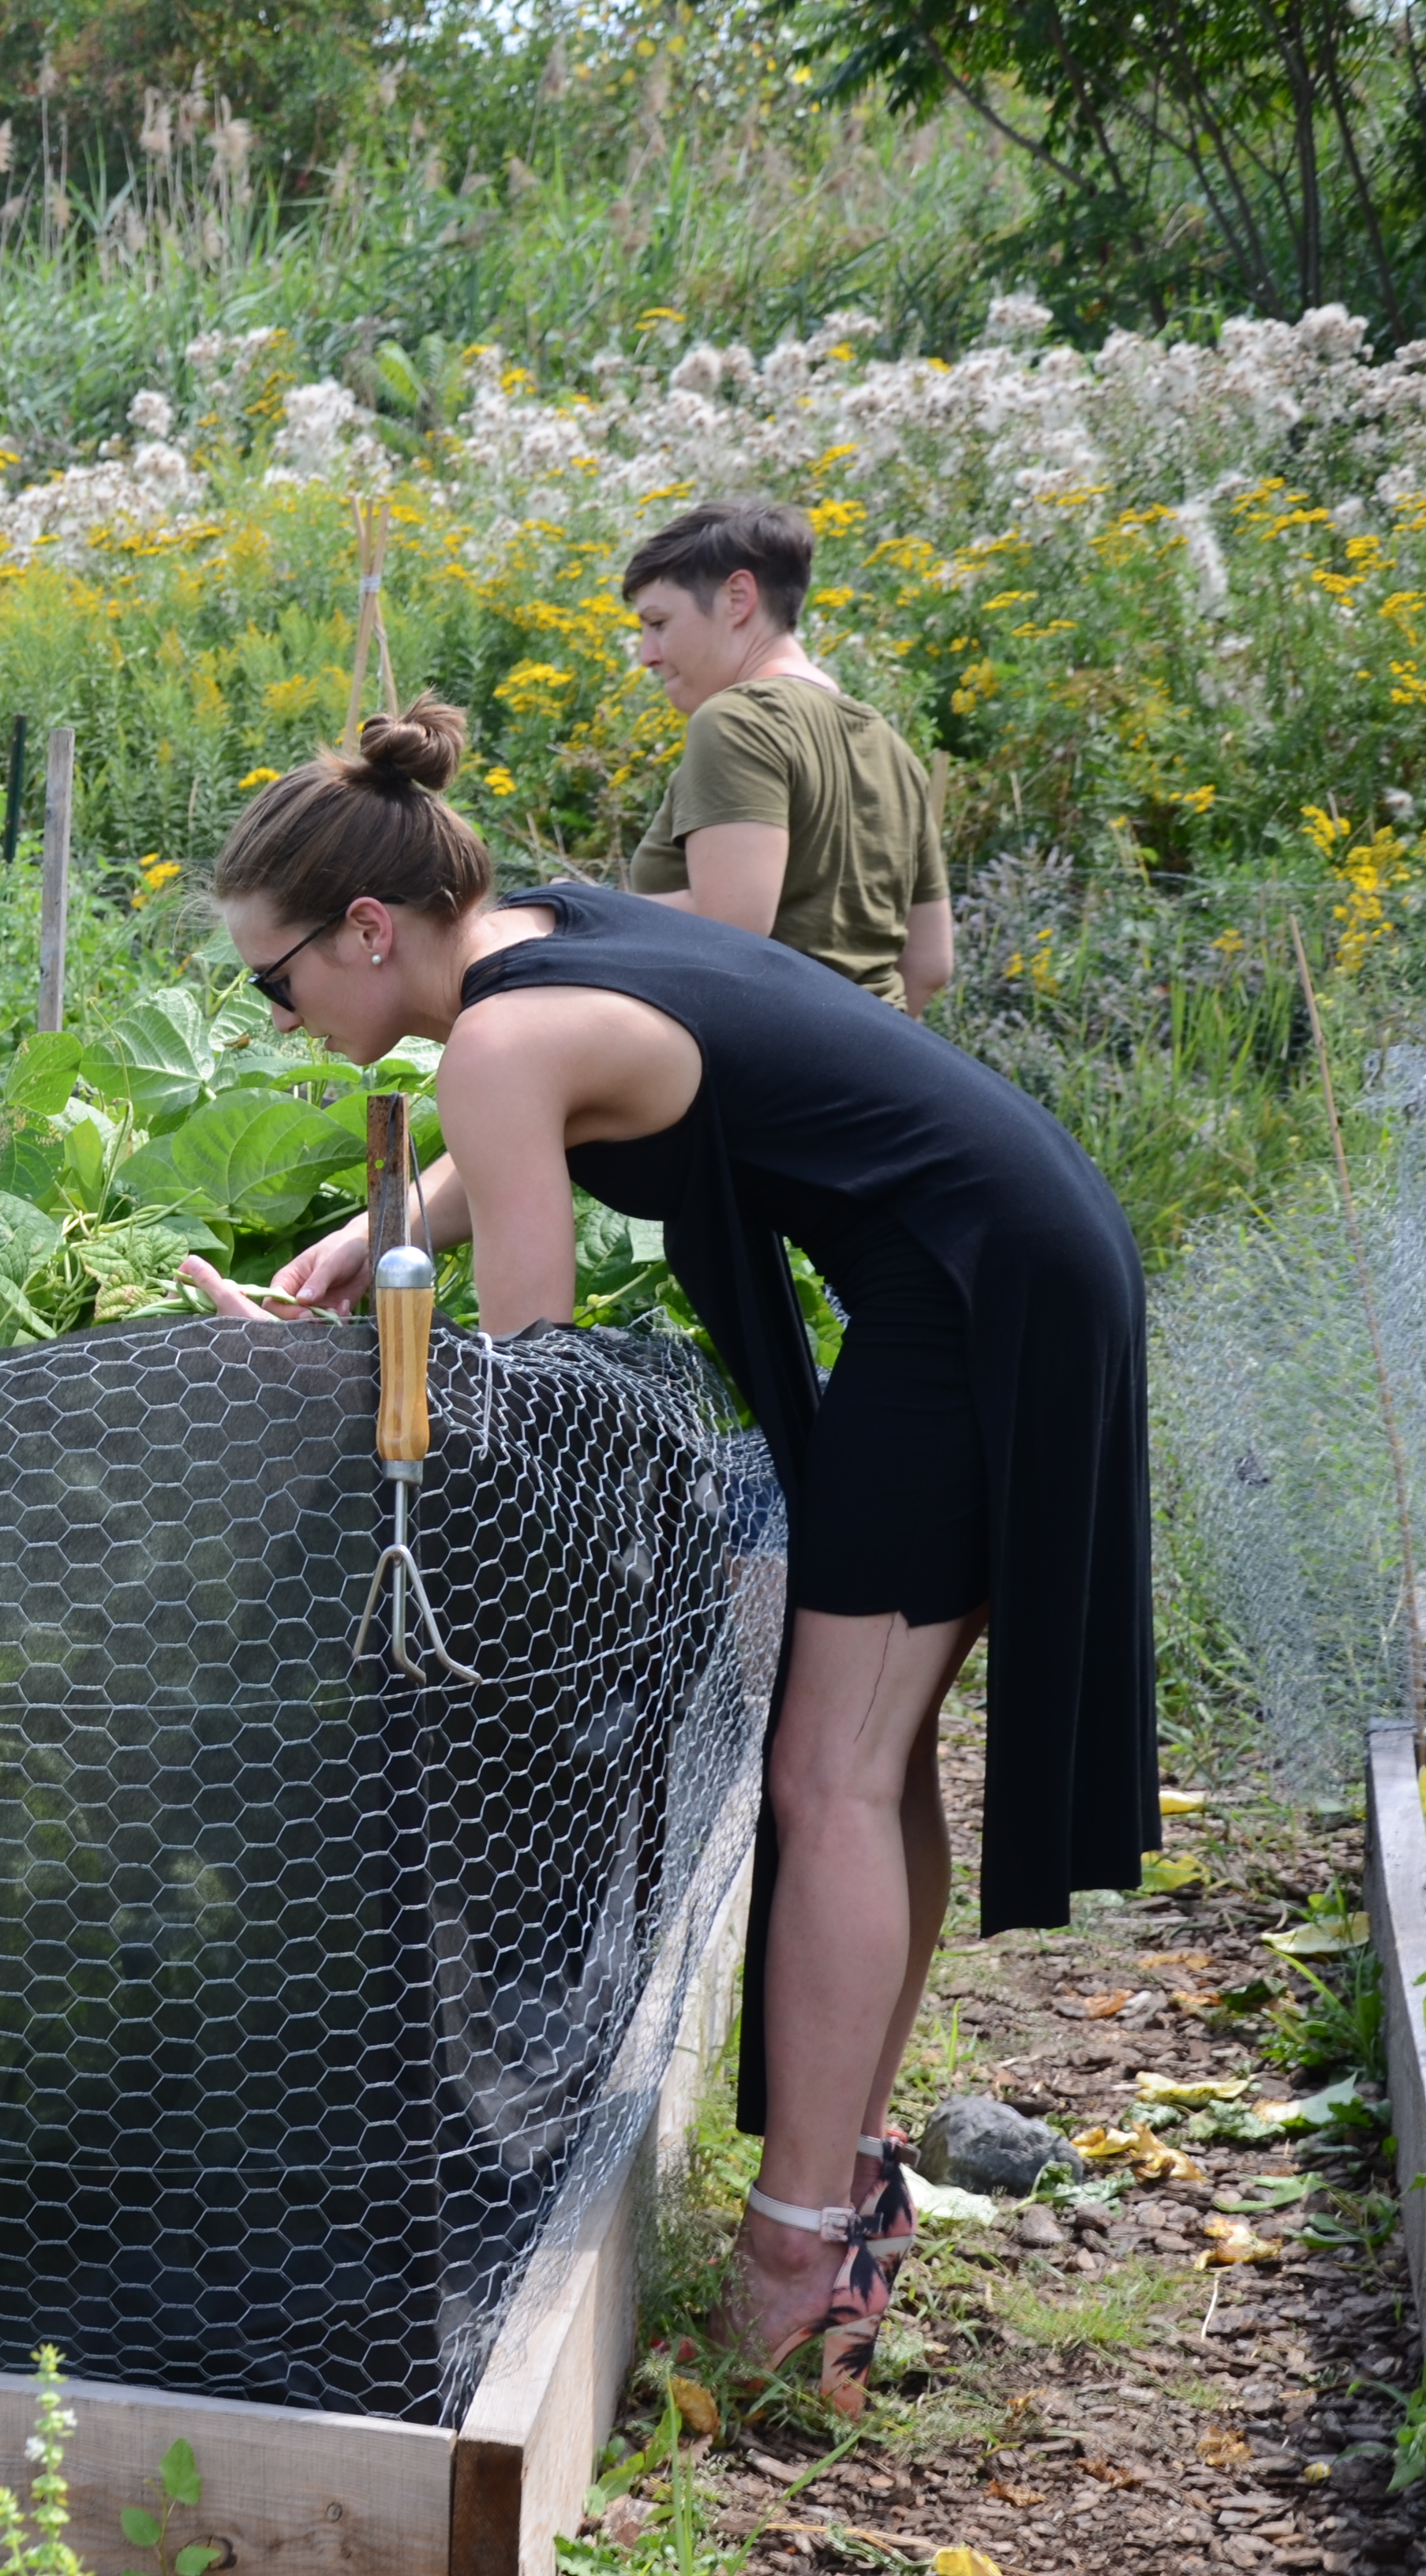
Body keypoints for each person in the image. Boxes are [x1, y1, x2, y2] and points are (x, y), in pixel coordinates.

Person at [178, 699, 1154, 2413]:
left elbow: (529, 1391)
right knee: (871, 1756)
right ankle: (843, 2196)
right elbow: (539, 1116)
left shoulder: (490, 1047)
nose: (272, 1018)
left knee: (827, 1780)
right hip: (1009, 1253)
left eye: (273, 981)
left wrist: (317, 1385)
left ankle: (797, 2275)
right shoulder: (543, 933)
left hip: (971, 1300)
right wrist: (371, 1241)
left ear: (367, 931)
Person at [622, 500, 956, 1016]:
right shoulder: (893, 749)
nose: (647, 653)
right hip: (882, 1065)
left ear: (738, 598)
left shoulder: (737, 720)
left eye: (658, 622)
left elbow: (731, 925)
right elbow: (931, 963)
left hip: (759, 1071)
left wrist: (580, 910)